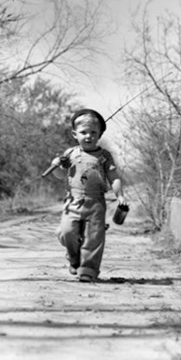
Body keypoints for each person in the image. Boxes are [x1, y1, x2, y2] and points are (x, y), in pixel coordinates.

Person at [50, 108, 127, 283]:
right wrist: (57, 166)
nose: (88, 136)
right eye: (83, 132)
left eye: (93, 132)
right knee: (66, 231)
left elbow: (113, 178)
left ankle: (88, 269)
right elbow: (61, 175)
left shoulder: (104, 156)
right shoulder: (70, 154)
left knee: (94, 236)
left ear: (99, 134)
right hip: (73, 200)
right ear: (74, 134)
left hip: (96, 201)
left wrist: (120, 196)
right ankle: (74, 258)